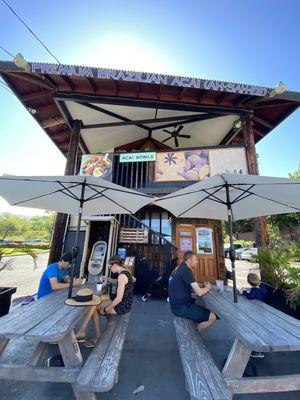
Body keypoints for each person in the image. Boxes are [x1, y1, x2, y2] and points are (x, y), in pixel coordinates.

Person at [76, 256, 134, 348]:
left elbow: (119, 299)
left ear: (115, 265)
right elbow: (116, 281)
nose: (110, 269)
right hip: (126, 302)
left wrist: (107, 309)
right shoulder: (125, 273)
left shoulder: (122, 276)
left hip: (122, 305)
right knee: (96, 300)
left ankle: (86, 332)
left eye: (110, 267)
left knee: (93, 306)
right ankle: (83, 331)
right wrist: (106, 278)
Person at [168, 250, 216, 333]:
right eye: (195, 259)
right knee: (212, 317)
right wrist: (208, 288)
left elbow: (190, 283)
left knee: (203, 305)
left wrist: (201, 285)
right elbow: (199, 293)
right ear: (189, 260)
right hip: (181, 307)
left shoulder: (182, 267)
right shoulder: (186, 271)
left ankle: (197, 323)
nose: (197, 262)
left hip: (178, 304)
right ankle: (194, 334)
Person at [239, 272, 268, 358]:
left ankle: (257, 351)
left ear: (249, 282)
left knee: (255, 330)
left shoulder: (254, 290)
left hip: (256, 313)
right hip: (262, 312)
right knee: (260, 330)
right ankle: (260, 349)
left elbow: (250, 296)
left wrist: (244, 291)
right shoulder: (263, 289)